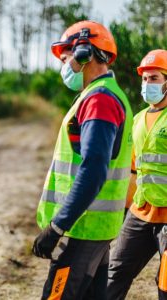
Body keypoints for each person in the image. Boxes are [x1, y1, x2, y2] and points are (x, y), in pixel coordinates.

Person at [32, 20, 133, 299]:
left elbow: (93, 170)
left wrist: (57, 226)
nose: (64, 68)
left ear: (83, 54)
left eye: (66, 60)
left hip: (82, 228)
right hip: (93, 228)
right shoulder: (104, 95)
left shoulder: (100, 99)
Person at [107, 49, 167, 300]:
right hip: (141, 211)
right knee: (114, 274)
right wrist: (124, 210)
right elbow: (134, 169)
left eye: (154, 78)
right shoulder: (139, 119)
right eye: (144, 79)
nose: (147, 84)